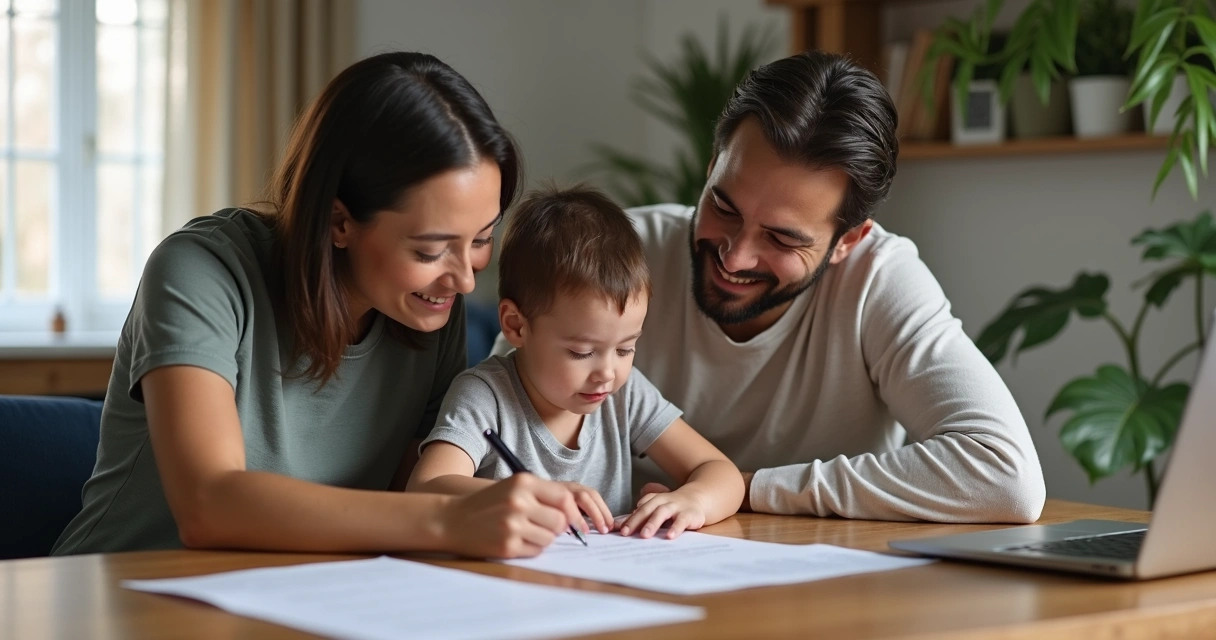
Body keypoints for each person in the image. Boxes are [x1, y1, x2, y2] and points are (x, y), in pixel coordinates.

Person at [52, 52, 590, 559]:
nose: (465, 279)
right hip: (126, 594)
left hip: (294, 600)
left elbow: (413, 490)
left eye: (480, 240)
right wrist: (447, 518)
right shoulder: (201, 272)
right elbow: (209, 504)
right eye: (430, 249)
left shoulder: (428, 308)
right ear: (339, 222)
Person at [500, 50, 1047, 524]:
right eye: (723, 205)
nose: (735, 255)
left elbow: (1005, 474)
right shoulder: (612, 261)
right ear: (712, 167)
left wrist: (740, 487)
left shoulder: (879, 282)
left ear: (847, 241)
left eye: (782, 238)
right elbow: (499, 416)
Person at [408, 185, 744, 540]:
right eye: (582, 352)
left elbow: (720, 471)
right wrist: (527, 495)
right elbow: (425, 487)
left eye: (626, 349)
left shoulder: (625, 395)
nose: (607, 373)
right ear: (516, 325)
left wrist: (692, 500)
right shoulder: (485, 395)